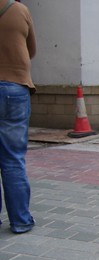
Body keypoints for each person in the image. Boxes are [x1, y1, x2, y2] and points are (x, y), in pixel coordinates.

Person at [0, 0, 37, 233]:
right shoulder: (19, 9)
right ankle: (21, 221)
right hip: (14, 87)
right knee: (13, 159)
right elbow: (31, 49)